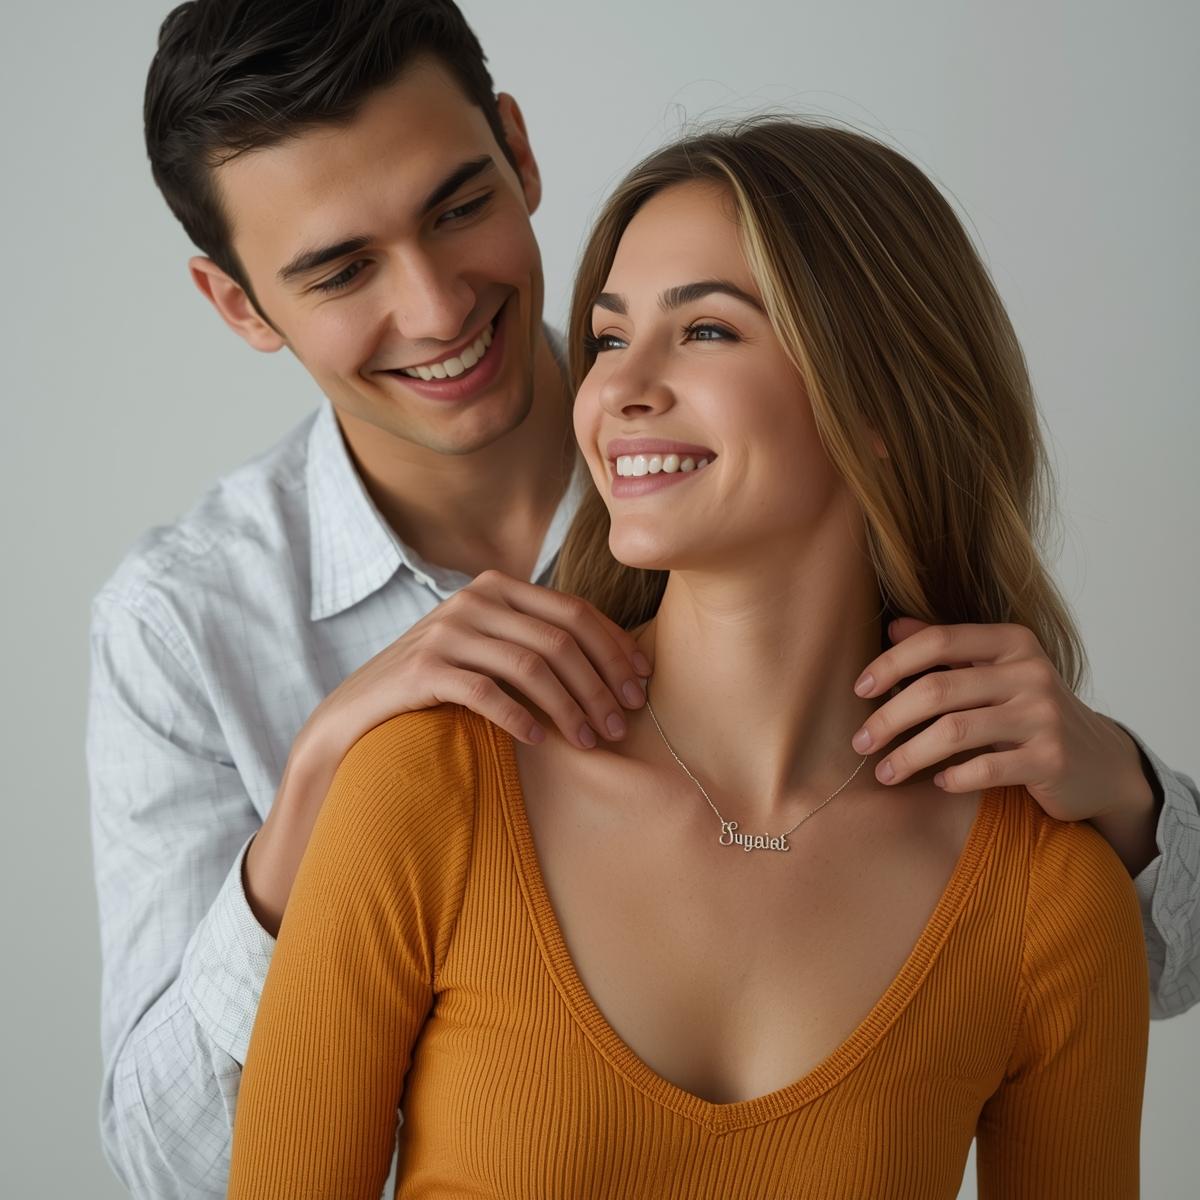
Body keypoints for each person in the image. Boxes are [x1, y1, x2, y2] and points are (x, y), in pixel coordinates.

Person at [87, 1, 1197, 1197]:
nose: (438, 307)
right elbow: (166, 1166)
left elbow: (1138, 963)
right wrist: (315, 788)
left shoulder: (1036, 873)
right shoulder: (194, 634)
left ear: (518, 152)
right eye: (342, 268)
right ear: (239, 303)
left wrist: (1126, 801)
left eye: (459, 207)